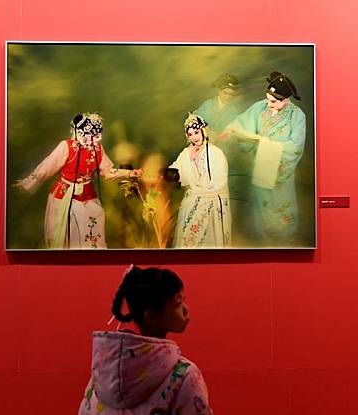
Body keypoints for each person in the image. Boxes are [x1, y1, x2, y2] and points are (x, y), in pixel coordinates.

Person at [78, 265, 213, 415]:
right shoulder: (184, 376)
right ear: (151, 317)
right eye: (177, 303)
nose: (186, 309)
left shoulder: (102, 375)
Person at [14, 113, 141, 249]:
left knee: (94, 218)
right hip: (64, 196)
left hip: (87, 196)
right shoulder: (66, 147)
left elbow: (107, 171)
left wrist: (129, 173)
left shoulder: (98, 149)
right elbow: (46, 167)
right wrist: (27, 183)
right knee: (64, 230)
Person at [225, 71, 306, 245]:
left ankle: (284, 237)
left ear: (285, 100)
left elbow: (296, 147)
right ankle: (263, 238)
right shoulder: (261, 107)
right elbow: (242, 122)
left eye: (273, 101)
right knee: (261, 201)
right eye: (267, 98)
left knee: (281, 202)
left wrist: (267, 145)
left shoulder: (297, 116)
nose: (268, 104)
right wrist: (231, 129)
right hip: (260, 164)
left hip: (280, 170)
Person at [167, 113, 231, 248]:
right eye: (190, 135)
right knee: (188, 235)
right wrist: (172, 174)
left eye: (196, 132)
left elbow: (221, 181)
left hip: (211, 198)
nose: (194, 137)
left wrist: (203, 193)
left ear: (203, 131)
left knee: (201, 235)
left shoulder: (215, 153)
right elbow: (176, 167)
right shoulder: (186, 153)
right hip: (192, 198)